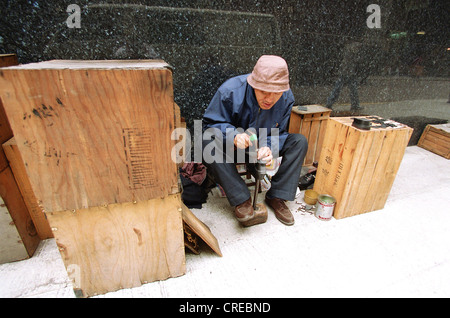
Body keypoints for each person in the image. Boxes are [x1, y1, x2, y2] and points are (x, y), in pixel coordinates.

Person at [202, 55, 308, 226]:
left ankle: (277, 196)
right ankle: (241, 199)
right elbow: (210, 124)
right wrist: (233, 136)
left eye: (276, 93)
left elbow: (278, 131)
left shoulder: (287, 97)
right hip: (232, 150)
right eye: (264, 91)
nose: (269, 99)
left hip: (257, 150)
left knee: (299, 142)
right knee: (206, 142)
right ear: (253, 84)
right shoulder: (230, 90)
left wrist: (268, 148)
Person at [326, 41, 364, 111]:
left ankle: (330, 103)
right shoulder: (352, 50)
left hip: (347, 72)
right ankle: (354, 105)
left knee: (343, 88)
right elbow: (353, 60)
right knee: (347, 89)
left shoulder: (349, 49)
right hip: (347, 72)